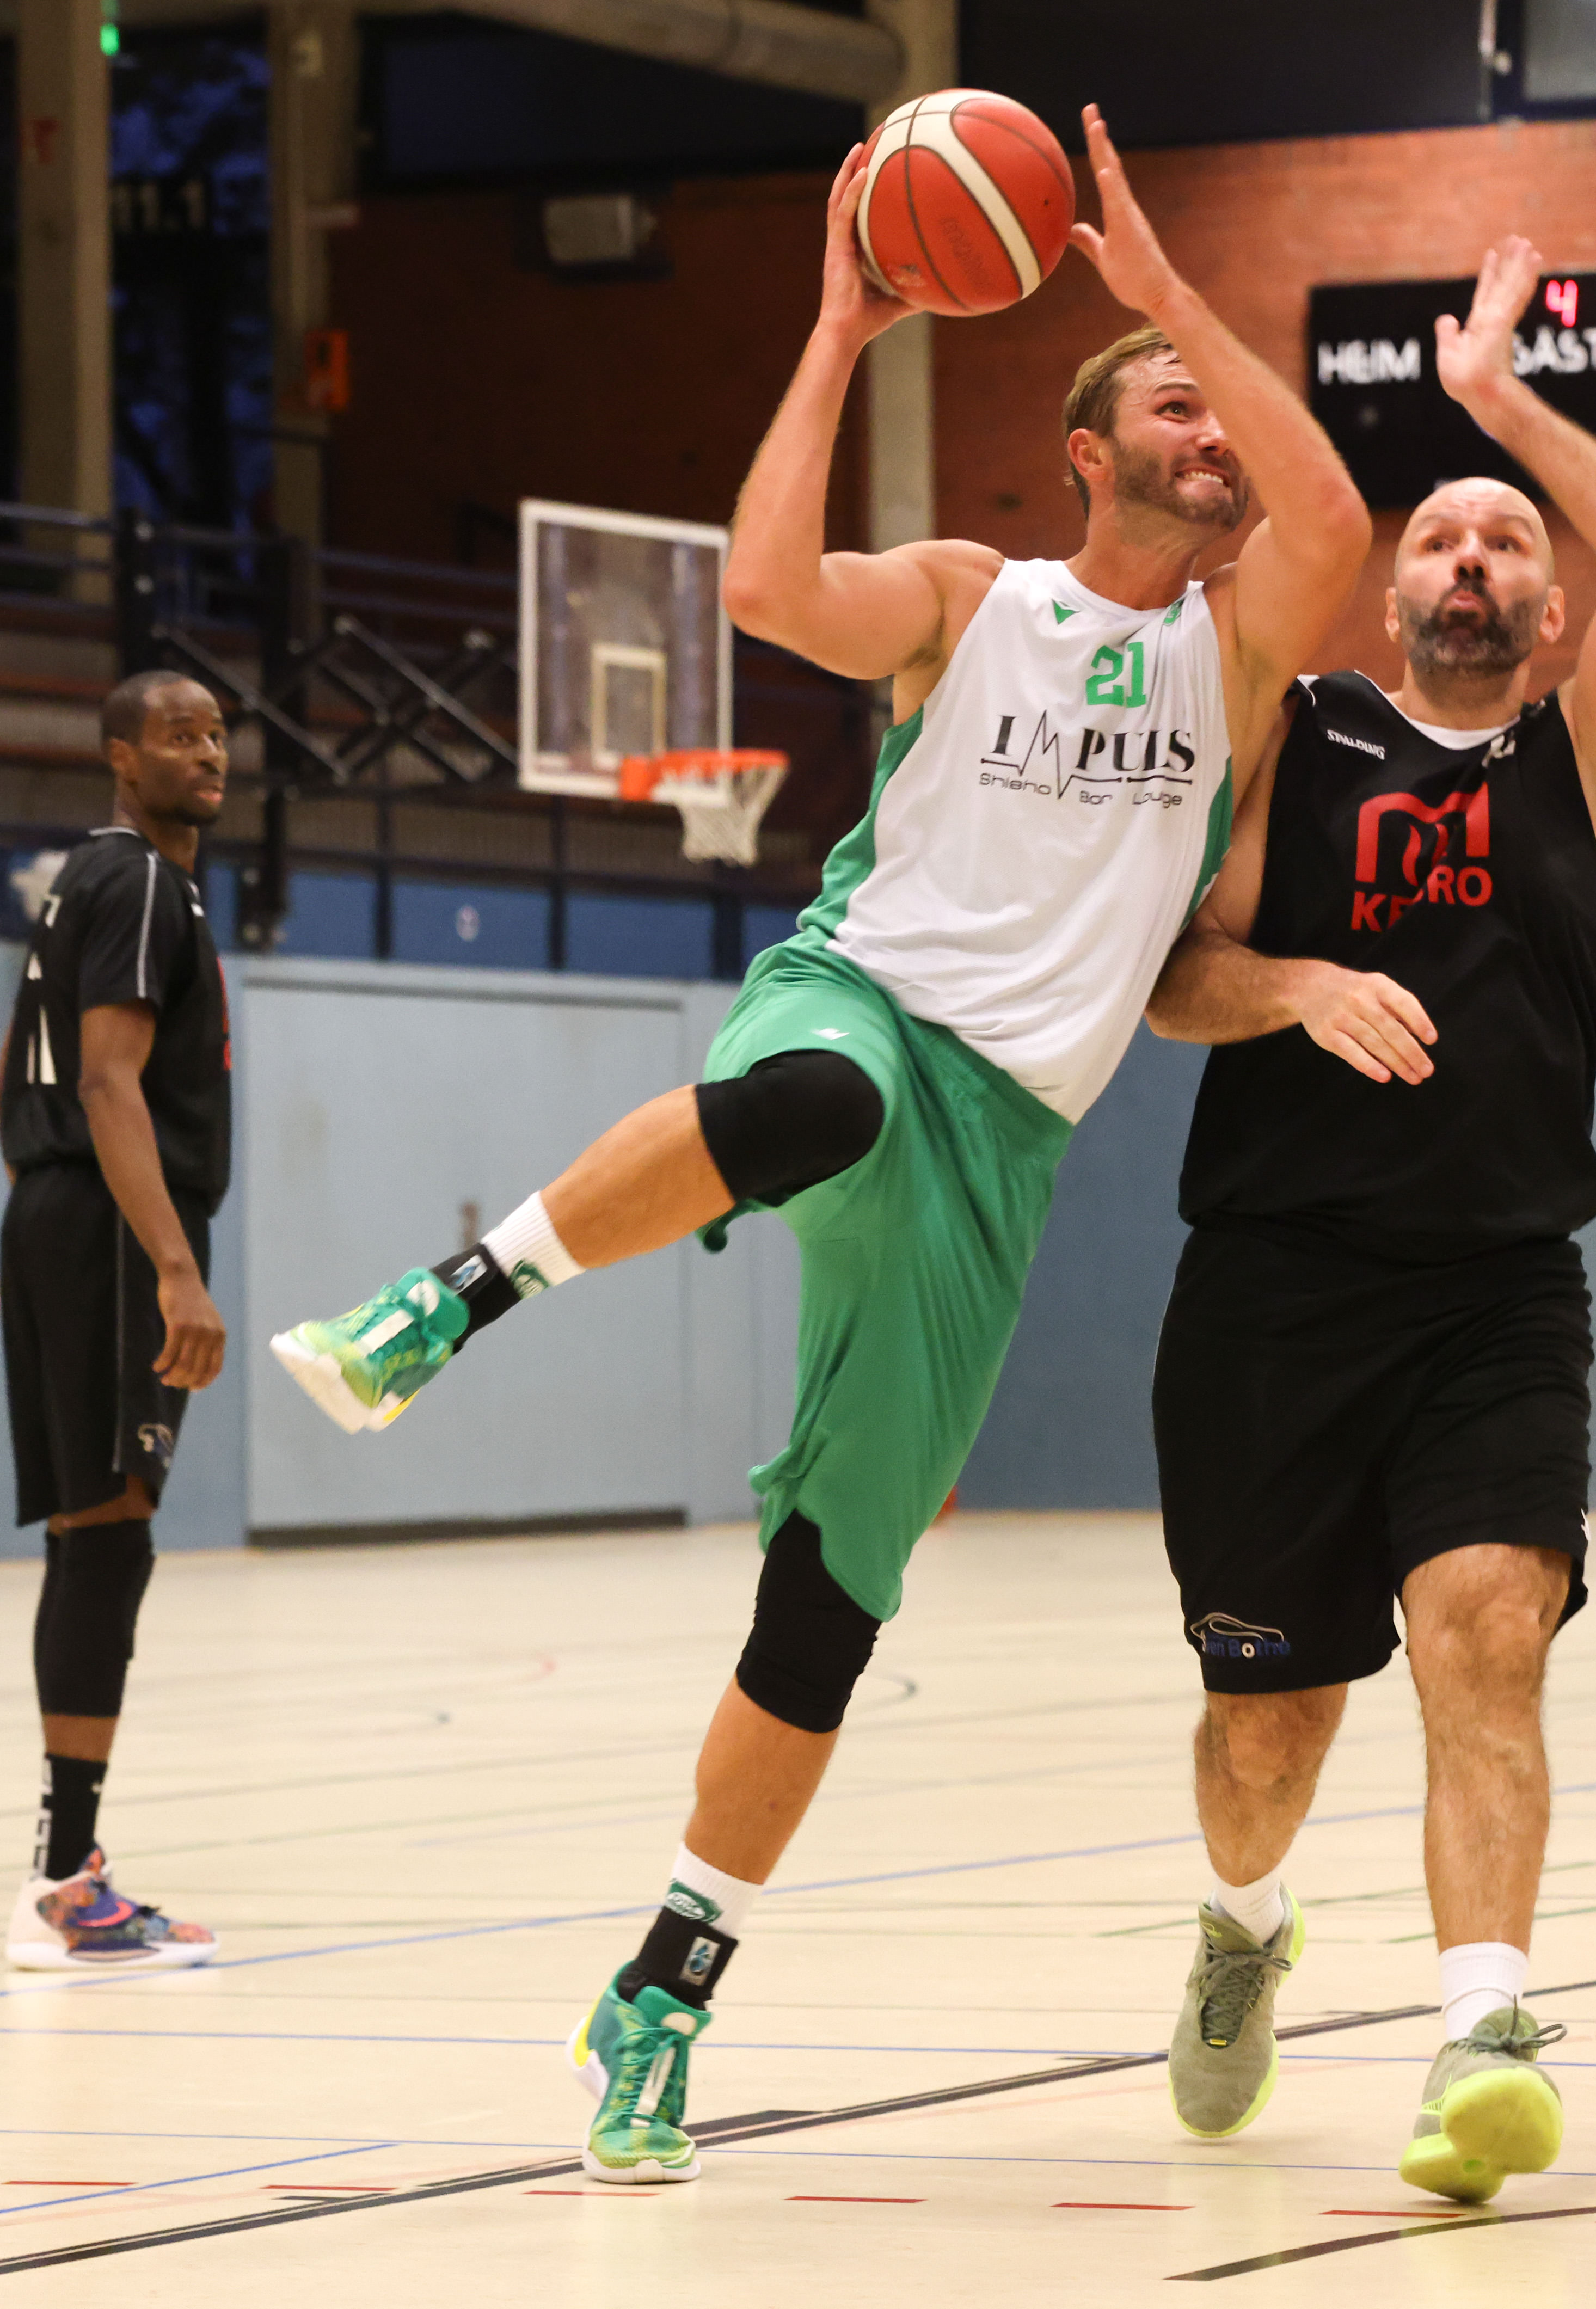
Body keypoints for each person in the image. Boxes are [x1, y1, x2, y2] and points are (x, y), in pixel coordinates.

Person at [269, 108, 1367, 2184]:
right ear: (1084, 455)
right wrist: (841, 329)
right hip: (857, 999)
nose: (1212, 426)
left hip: (1005, 1145)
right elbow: (769, 586)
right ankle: (449, 1299)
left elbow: (1335, 521)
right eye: (1171, 401)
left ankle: (660, 1992)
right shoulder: (972, 600)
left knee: (828, 1607)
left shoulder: (1237, 658)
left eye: (1220, 406)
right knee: (817, 1099)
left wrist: (1169, 295)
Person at [1143, 237, 1596, 2201]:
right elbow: (1169, 982)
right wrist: (1293, 987)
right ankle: (1245, 1926)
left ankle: (1483, 2035)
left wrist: (1497, 403)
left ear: (1548, 604)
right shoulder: (1294, 738)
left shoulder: (1593, 761)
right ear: (1392, 594)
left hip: (1496, 1295)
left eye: (1506, 541)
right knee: (1267, 1732)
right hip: (1272, 1291)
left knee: (1487, 1641)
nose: (1472, 557)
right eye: (1440, 539)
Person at [3, 670, 232, 1971]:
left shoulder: (81, 883)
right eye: (177, 735)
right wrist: (172, 1268)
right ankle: (59, 1889)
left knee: (96, 1537)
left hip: (61, 1216)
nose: (206, 753)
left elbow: (20, 1066)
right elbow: (104, 1079)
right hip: (105, 1226)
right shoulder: (140, 880)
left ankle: (62, 1872)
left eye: (216, 734)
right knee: (107, 1538)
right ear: (120, 757)